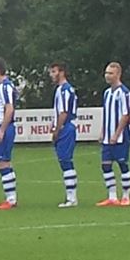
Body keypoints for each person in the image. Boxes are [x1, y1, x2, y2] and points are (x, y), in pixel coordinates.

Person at [98, 62, 130, 207]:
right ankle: (112, 196)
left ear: (118, 74)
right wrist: (103, 131)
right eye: (106, 73)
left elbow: (126, 115)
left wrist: (116, 133)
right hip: (107, 137)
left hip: (120, 137)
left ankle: (126, 196)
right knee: (105, 165)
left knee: (122, 164)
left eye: (110, 73)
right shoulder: (107, 93)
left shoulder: (124, 92)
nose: (107, 76)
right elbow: (106, 113)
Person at [0, 58, 19, 210]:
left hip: (3, 128)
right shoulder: (4, 87)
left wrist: (1, 130)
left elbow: (9, 108)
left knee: (3, 162)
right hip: (2, 128)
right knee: (3, 162)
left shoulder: (4, 87)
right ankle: (11, 197)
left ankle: (11, 199)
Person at [49, 62, 80, 208]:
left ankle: (71, 198)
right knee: (64, 161)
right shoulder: (62, 89)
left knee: (66, 160)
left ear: (61, 72)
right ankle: (71, 196)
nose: (51, 75)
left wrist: (57, 130)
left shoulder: (64, 90)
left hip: (66, 128)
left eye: (54, 72)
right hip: (65, 127)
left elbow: (63, 112)